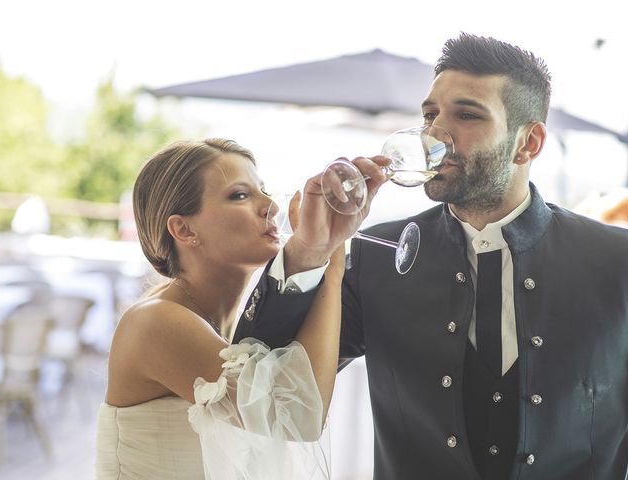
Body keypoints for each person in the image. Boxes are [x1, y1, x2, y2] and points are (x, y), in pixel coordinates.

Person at [234, 33, 628, 480]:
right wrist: (310, 250)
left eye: (466, 114)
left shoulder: (618, 263)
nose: (436, 133)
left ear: (528, 143)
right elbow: (261, 377)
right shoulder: (371, 255)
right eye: (429, 114)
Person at [95, 138, 388, 479]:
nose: (270, 206)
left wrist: (315, 252)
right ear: (184, 229)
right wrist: (330, 260)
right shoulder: (154, 321)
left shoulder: (231, 328)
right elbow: (297, 416)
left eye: (262, 190)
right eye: (240, 195)